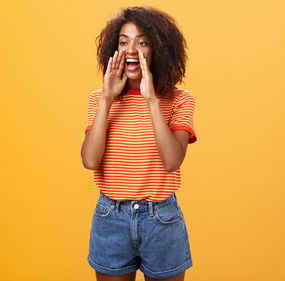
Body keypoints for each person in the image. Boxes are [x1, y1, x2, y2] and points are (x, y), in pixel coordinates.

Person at [80, 6, 197, 281]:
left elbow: (172, 161)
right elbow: (89, 161)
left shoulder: (180, 99)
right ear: (114, 48)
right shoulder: (99, 99)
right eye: (124, 41)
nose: (131, 49)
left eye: (142, 41)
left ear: (159, 49)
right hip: (111, 217)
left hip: (162, 221)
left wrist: (151, 100)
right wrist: (108, 100)